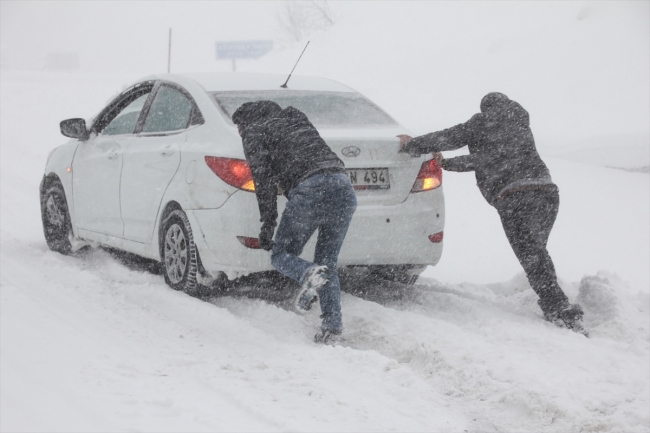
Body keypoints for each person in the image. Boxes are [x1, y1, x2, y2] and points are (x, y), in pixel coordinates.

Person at [399, 92, 587, 336]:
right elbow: (492, 157)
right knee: (536, 252)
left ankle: (560, 309)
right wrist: (452, 163)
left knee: (532, 255)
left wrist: (414, 145)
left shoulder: (482, 122)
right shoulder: (520, 125)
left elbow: (451, 138)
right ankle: (556, 302)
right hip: (547, 193)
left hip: (515, 195)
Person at [232, 100, 357, 343]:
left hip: (311, 189)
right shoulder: (295, 116)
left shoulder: (254, 131)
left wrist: (268, 223)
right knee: (327, 262)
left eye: (239, 128)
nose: (239, 133)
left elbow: (263, 181)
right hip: (343, 186)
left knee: (281, 255)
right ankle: (332, 326)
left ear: (245, 122)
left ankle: (308, 273)